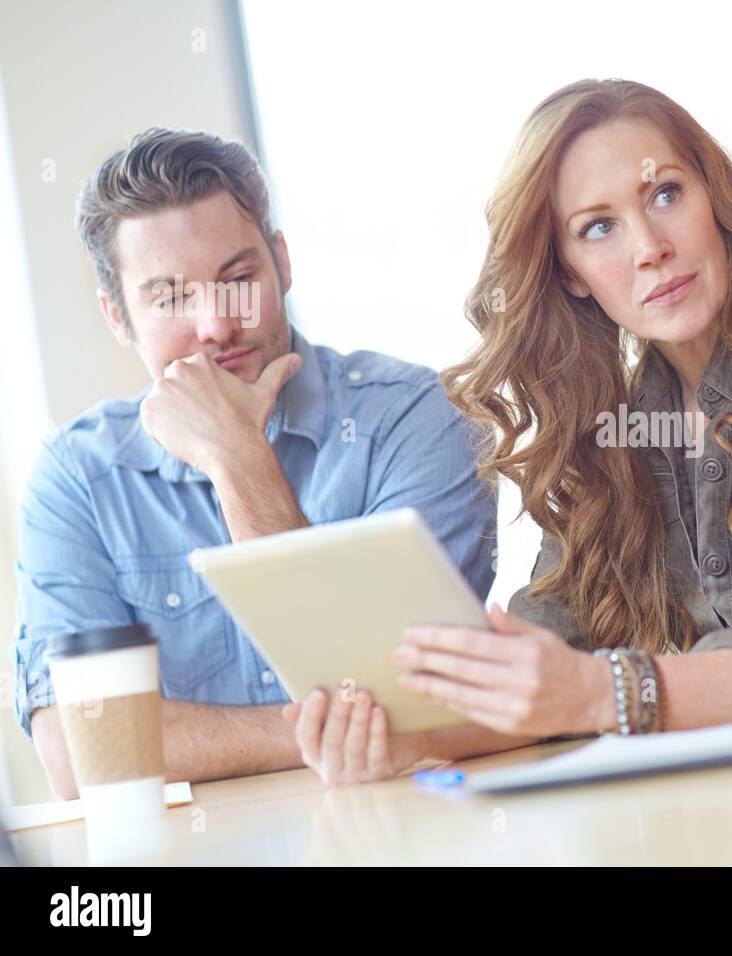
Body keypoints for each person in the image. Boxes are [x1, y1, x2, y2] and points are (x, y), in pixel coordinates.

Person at [285, 79, 732, 784]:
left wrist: (607, 691)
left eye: (665, 194)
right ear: (569, 275)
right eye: (598, 227)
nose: (650, 248)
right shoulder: (614, 432)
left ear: (713, 198)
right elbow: (544, 657)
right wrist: (412, 738)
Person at [13, 127, 497, 798]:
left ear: (282, 263)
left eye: (237, 279)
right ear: (119, 318)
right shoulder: (79, 478)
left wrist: (237, 457)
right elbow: (80, 752)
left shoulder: (413, 419)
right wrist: (330, 733)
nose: (215, 325)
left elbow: (413, 699)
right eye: (171, 298)